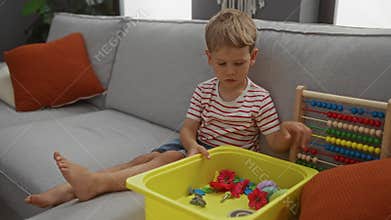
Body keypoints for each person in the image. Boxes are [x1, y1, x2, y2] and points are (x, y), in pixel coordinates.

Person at [25, 8, 311, 208]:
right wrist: (191, 146)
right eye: (222, 63)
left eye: (239, 63)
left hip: (221, 162)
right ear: (209, 58)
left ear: (253, 57)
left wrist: (288, 130)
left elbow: (276, 144)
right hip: (194, 147)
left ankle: (94, 184)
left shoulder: (259, 98)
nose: (230, 71)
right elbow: (188, 129)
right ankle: (69, 190)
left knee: (164, 160)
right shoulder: (204, 90)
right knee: (143, 159)